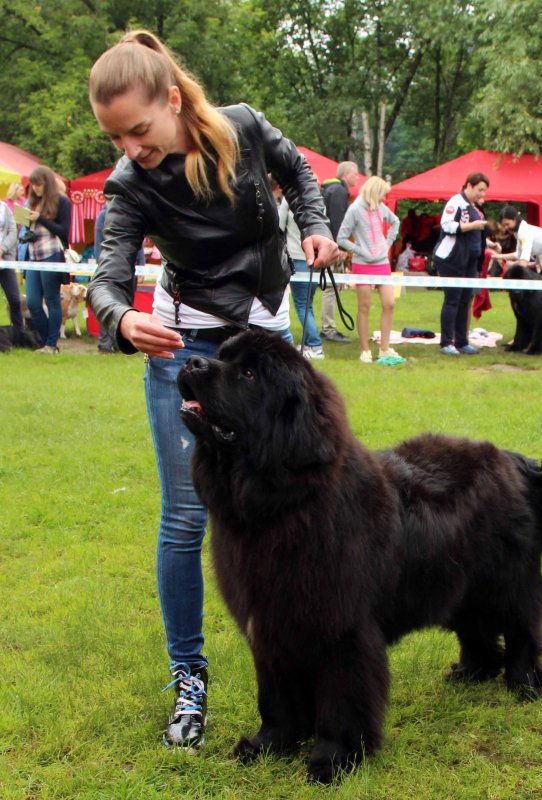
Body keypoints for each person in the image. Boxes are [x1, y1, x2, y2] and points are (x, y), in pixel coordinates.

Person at [85, 29, 336, 751]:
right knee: (187, 522)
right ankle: (189, 681)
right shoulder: (129, 183)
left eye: (138, 130)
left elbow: (303, 176)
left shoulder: (245, 126)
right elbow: (107, 275)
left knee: (301, 506)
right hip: (185, 355)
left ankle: (305, 662)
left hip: (269, 349)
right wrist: (124, 316)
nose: (131, 148)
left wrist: (315, 230)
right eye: (116, 138)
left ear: (171, 98)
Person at [337, 176, 401, 363]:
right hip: (362, 264)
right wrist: (360, 250)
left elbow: (395, 221)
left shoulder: (381, 208)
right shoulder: (355, 209)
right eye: (382, 195)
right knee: (364, 306)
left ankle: (384, 348)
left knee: (389, 303)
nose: (384, 200)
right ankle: (365, 350)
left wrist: (387, 244)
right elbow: (341, 238)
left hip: (382, 263)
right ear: (375, 192)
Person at [491, 206, 542, 350]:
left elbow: (524, 260)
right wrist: (500, 257)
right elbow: (518, 254)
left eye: (507, 224)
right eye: (504, 225)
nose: (506, 228)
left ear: (515, 220)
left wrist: (516, 274)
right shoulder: (519, 232)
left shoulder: (524, 233)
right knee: (541, 305)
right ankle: (523, 339)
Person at [432, 173, 489, 355]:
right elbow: (446, 226)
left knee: (465, 301)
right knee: (452, 300)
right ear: (469, 186)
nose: (482, 194)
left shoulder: (474, 206)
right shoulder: (455, 202)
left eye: (484, 191)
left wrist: (487, 243)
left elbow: (475, 235)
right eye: (480, 190)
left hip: (470, 261)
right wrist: (472, 226)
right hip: (452, 260)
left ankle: (462, 341)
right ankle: (446, 342)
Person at [24, 165, 72, 354]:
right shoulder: (32, 203)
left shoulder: (62, 202)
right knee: (33, 302)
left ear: (47, 183)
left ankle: (51, 344)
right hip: (32, 255)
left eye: (39, 184)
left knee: (52, 299)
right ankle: (46, 341)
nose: (35, 188)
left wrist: (41, 219)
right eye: (33, 185)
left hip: (52, 254)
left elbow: (64, 231)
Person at [279, 179, 325, 360]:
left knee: (301, 304)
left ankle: (315, 345)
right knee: (308, 304)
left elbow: (278, 225)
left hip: (297, 259)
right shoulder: (317, 202)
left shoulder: (287, 201)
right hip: (314, 260)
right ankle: (310, 342)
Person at [93, 206, 146, 353]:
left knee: (127, 307)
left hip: (131, 268)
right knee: (109, 306)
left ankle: (118, 343)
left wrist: (141, 265)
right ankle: (104, 344)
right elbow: (99, 244)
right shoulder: (103, 215)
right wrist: (101, 268)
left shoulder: (132, 211)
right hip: (111, 269)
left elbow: (138, 244)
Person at [320, 161, 359, 343]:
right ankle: (329, 328)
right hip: (333, 246)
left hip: (327, 242)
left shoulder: (330, 189)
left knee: (332, 287)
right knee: (332, 287)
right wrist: (340, 247)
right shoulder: (339, 192)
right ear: (346, 174)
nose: (357, 178)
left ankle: (327, 325)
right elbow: (337, 221)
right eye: (355, 174)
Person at [0, 201, 24, 335]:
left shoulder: (4, 208)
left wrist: (2, 249)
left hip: (6, 260)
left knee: (14, 300)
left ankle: (19, 335)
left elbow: (13, 230)